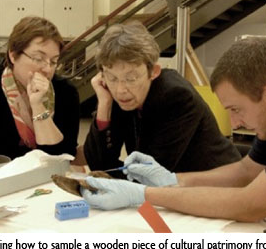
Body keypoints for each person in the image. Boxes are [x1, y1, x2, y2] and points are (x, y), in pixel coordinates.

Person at [81, 38, 266, 229]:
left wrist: (144, 194)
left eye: (236, 109)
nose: (234, 124)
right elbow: (247, 171)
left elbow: (251, 204)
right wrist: (173, 180)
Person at [74, 22, 240, 174]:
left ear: (153, 72)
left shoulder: (177, 97)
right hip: (172, 191)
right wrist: (104, 105)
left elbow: (151, 174)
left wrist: (109, 175)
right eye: (111, 78)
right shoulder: (116, 95)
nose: (120, 90)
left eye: (131, 78)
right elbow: (98, 164)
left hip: (218, 185)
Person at [0, 16, 80, 160]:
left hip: (48, 177)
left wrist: (38, 106)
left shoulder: (66, 92)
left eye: (54, 61)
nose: (47, 69)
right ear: (13, 55)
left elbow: (64, 154)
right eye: (38, 58)